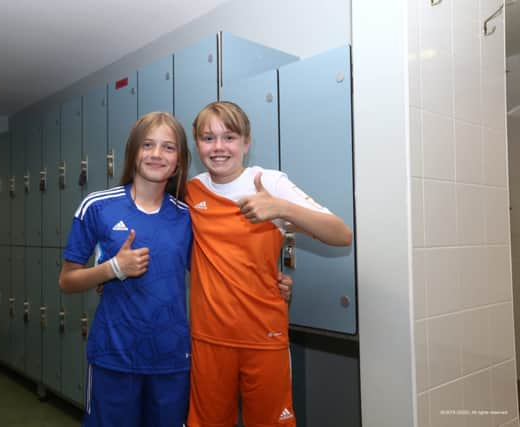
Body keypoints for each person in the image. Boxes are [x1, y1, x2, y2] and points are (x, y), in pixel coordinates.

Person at [58, 111, 293, 427]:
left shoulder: (188, 215)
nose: (157, 155)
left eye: (168, 148)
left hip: (173, 362)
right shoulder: (98, 206)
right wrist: (111, 269)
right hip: (114, 358)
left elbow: (216, 269)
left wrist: (268, 282)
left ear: (180, 159)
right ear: (133, 152)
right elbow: (67, 280)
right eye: (148, 145)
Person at [185, 101, 352, 427]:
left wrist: (281, 210)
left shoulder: (268, 182)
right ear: (197, 144)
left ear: (247, 143)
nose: (219, 147)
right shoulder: (191, 190)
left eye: (229, 137)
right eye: (208, 138)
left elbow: (341, 234)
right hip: (209, 339)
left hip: (263, 336)